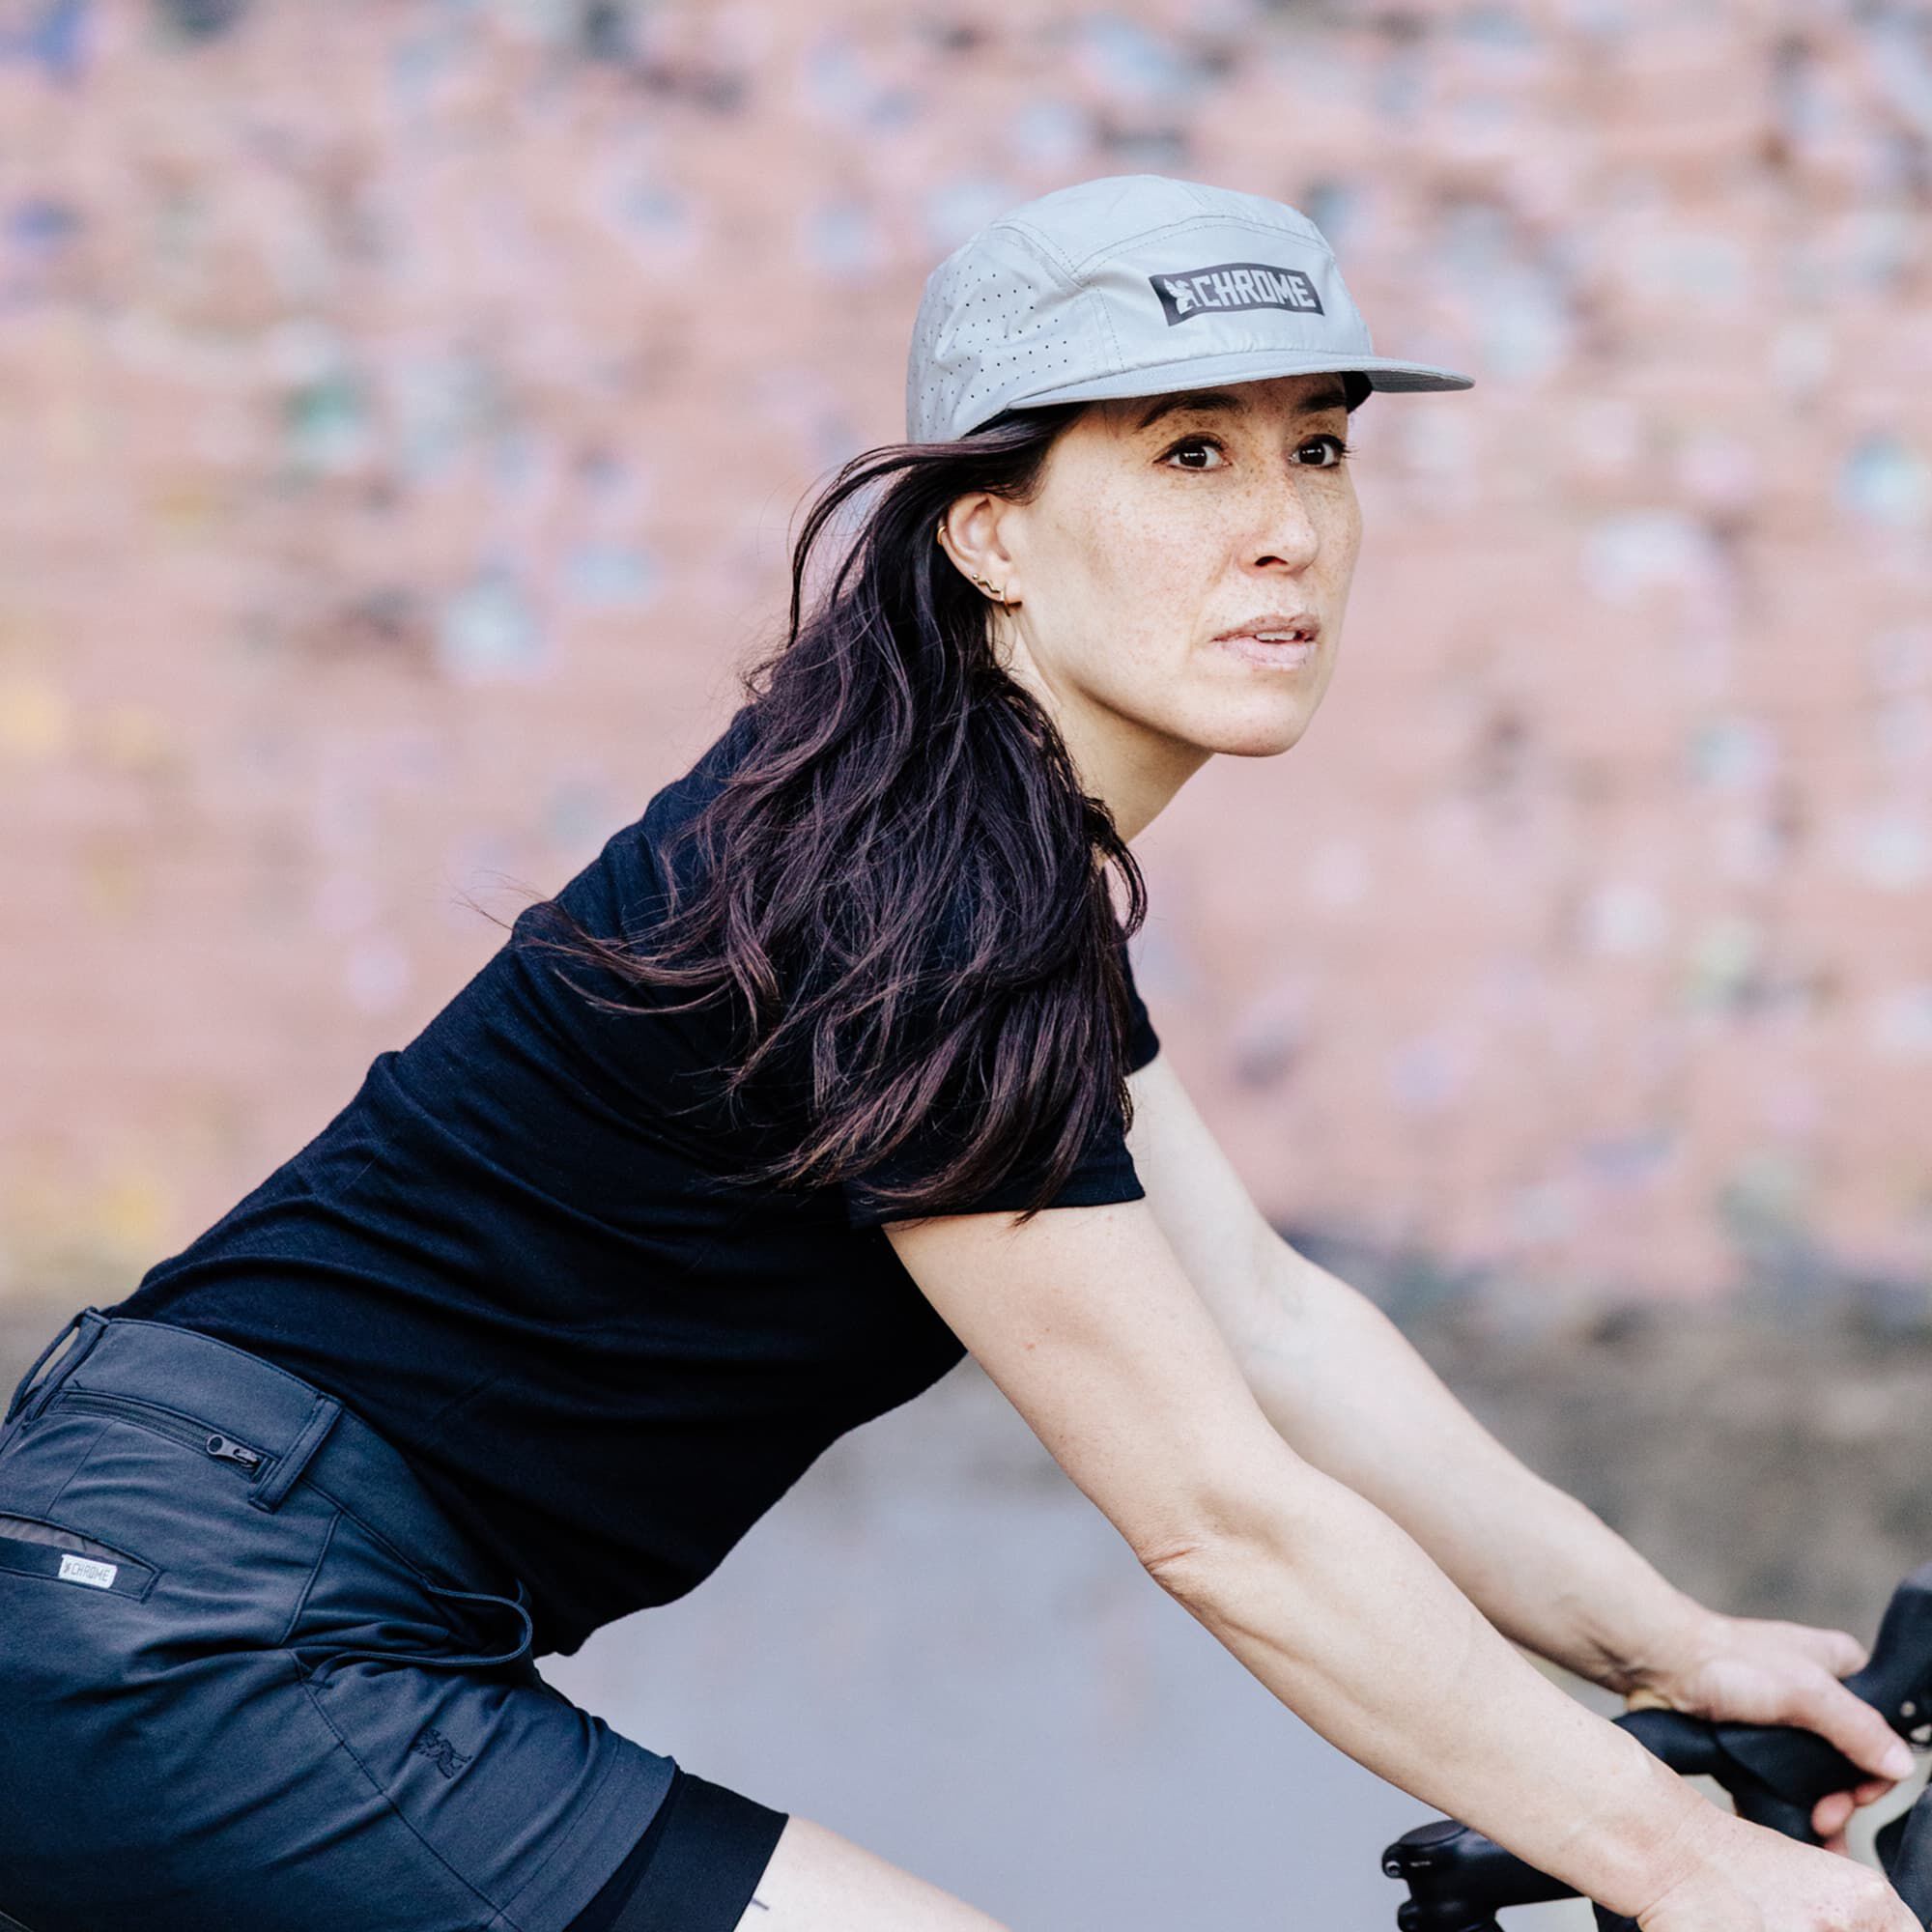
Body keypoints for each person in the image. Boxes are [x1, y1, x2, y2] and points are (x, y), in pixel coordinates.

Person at [0, 175, 1915, 1932]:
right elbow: (1219, 1520)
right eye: (1188, 452)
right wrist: (1673, 1862)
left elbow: (1268, 1326)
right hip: (219, 1619)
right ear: (990, 529)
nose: (1284, 526)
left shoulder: (950, 845)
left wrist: (1670, 1650)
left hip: (200, 1584)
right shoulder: (909, 911)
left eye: (1318, 447)